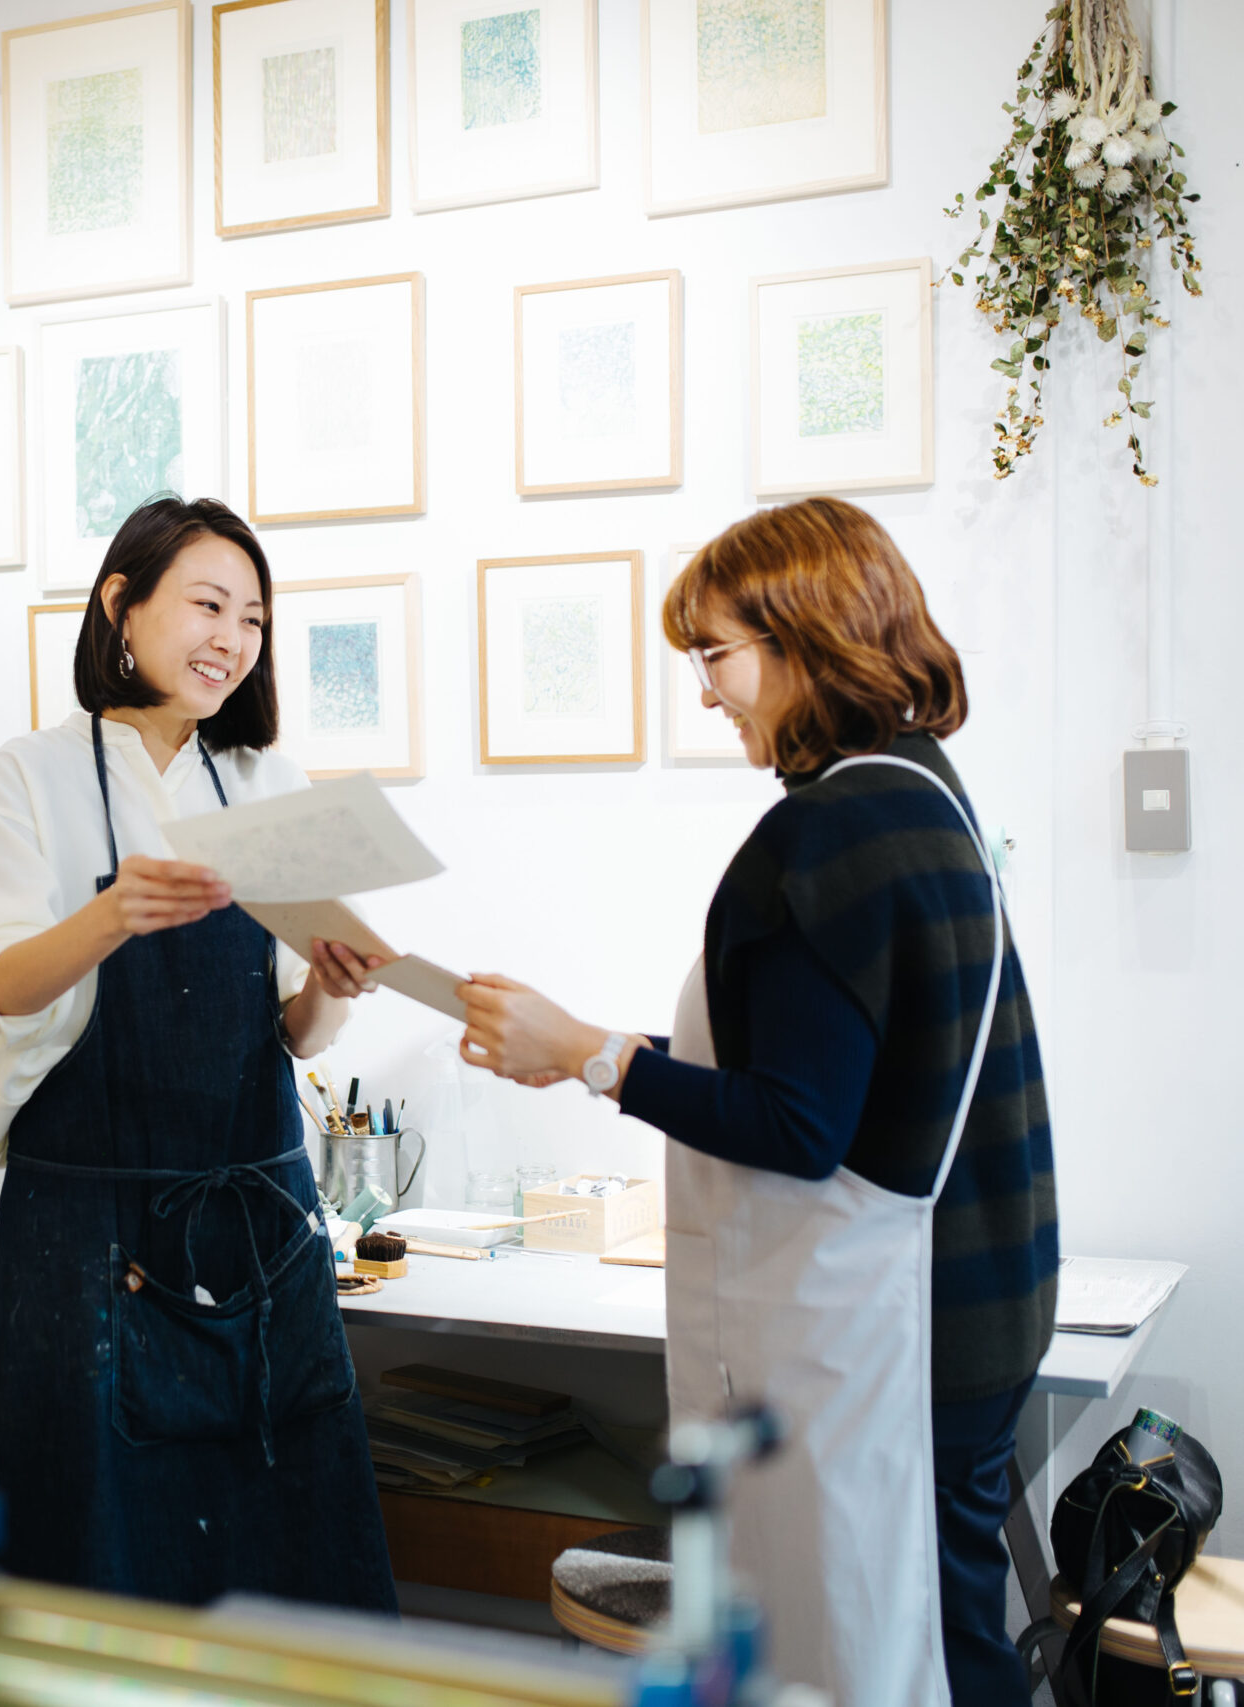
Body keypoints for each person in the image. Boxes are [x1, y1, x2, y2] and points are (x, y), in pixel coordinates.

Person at [457, 497, 1057, 1707]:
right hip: (985, 1296)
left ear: (806, 640)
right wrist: (595, 1047)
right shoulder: (923, 795)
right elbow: (836, 1058)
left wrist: (595, 1057)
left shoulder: (824, 835)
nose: (706, 693)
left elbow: (797, 1124)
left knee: (915, 1655)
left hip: (903, 1333)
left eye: (714, 656)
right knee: (952, 1633)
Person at [0, 495, 397, 1611]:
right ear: (119, 607)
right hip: (83, 1233)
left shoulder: (265, 781)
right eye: (206, 604)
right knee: (86, 1555)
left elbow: (288, 1034)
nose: (231, 639)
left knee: (282, 1552)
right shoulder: (30, 775)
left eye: (253, 618)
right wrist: (112, 914)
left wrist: (330, 995)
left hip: (258, 1232)